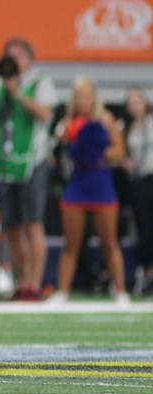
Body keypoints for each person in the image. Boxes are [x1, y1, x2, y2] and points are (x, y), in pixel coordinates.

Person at [0, 37, 56, 302]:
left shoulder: (39, 80)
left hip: (33, 160)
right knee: (10, 227)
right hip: (5, 163)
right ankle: (21, 283)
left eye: (18, 56)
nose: (13, 61)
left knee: (33, 223)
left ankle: (34, 283)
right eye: (9, 56)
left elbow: (45, 115)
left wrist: (17, 93)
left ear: (29, 59)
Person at [49, 77, 128, 306]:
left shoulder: (105, 119)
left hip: (101, 184)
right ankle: (62, 292)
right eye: (78, 95)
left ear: (93, 97)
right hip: (77, 185)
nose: (82, 99)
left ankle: (120, 292)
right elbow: (59, 152)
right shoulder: (68, 122)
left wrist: (97, 153)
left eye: (86, 95)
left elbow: (120, 152)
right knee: (71, 244)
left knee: (109, 242)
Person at [120, 87, 153, 296]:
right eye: (130, 102)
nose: (134, 106)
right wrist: (125, 162)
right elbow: (117, 152)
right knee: (144, 226)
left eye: (137, 101)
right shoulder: (125, 128)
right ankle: (149, 271)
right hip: (138, 181)